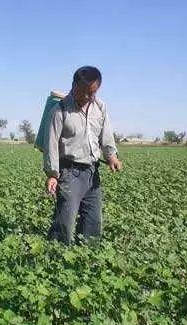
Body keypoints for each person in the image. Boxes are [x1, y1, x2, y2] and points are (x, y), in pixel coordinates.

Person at [44, 66, 122, 245]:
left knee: (93, 222)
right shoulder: (59, 110)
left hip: (92, 173)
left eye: (92, 93)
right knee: (65, 221)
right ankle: (54, 256)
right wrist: (52, 175)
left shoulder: (100, 107)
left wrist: (111, 156)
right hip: (69, 172)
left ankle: (87, 259)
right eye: (84, 92)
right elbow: (51, 146)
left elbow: (106, 135)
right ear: (73, 86)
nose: (88, 97)